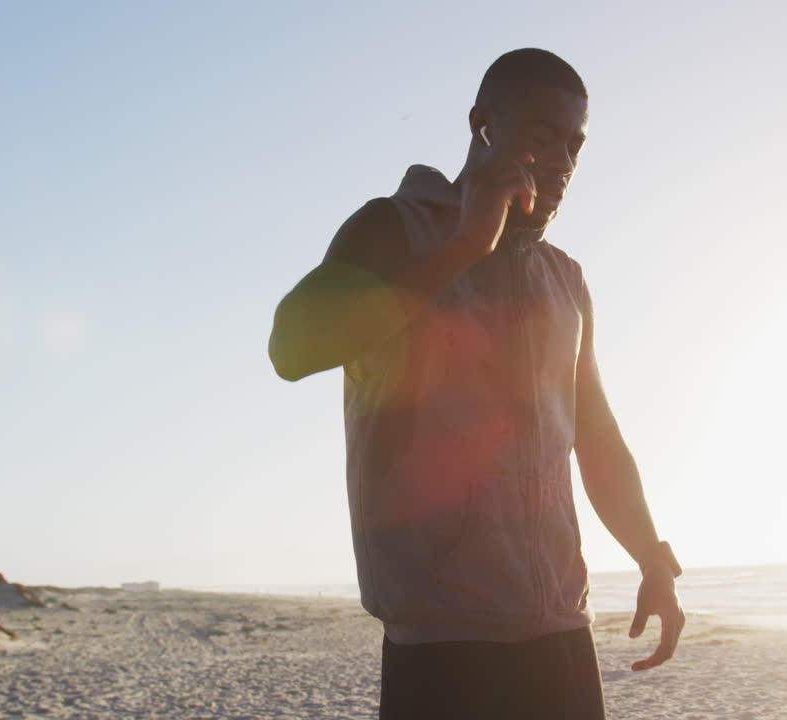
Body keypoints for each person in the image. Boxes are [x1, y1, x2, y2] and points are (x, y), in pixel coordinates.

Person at [268, 48, 684, 720]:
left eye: (574, 145)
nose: (561, 164)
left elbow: (597, 436)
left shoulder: (564, 278)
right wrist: (464, 246)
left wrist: (652, 558)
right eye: (542, 136)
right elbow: (290, 347)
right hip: (442, 644)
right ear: (483, 124)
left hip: (561, 634)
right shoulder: (392, 229)